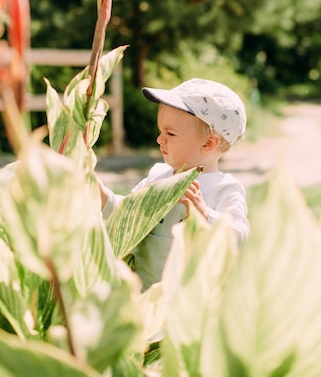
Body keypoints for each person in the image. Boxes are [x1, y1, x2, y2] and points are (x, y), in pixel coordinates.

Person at [100, 78, 250, 290]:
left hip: (192, 305)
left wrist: (206, 215)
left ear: (209, 143)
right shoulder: (158, 177)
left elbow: (240, 237)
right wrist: (102, 196)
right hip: (146, 300)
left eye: (170, 133)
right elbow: (126, 215)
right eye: (161, 131)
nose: (159, 139)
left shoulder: (223, 188)